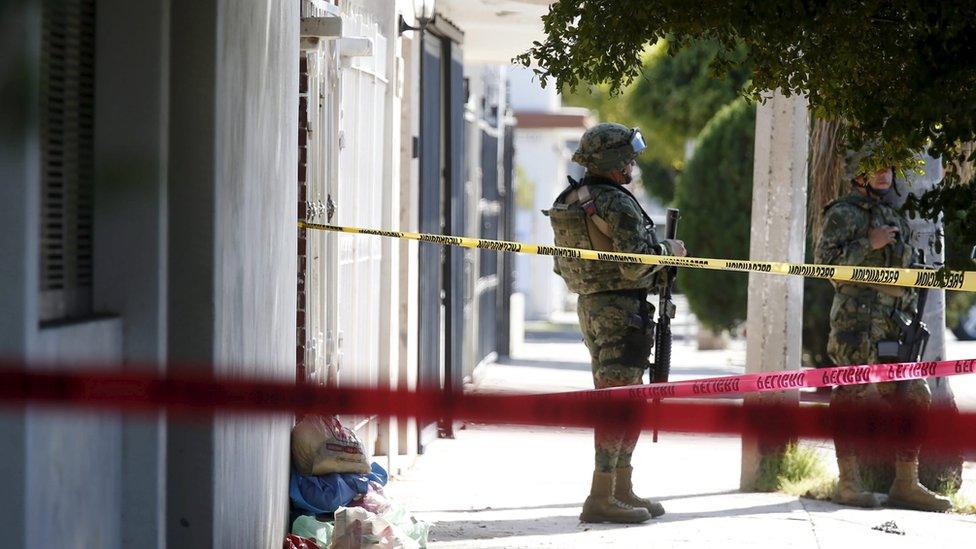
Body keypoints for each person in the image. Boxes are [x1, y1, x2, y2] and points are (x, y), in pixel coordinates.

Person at [546, 123, 686, 523]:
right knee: (618, 404)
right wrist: (669, 249)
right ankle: (601, 495)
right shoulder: (615, 203)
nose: (632, 164)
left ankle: (620, 488)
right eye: (627, 157)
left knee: (625, 400)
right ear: (610, 161)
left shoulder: (573, 197)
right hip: (622, 311)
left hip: (596, 309)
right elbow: (633, 263)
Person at [814, 145, 951, 512]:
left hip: (894, 325)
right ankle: (849, 482)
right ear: (858, 174)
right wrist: (867, 244)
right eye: (873, 167)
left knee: (914, 395)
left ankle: (906, 483)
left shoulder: (894, 214)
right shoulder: (842, 213)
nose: (883, 174)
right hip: (856, 325)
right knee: (850, 397)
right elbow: (825, 266)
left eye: (887, 167)